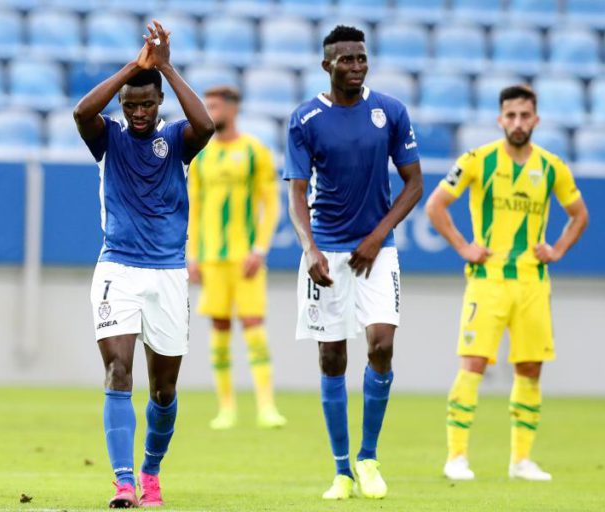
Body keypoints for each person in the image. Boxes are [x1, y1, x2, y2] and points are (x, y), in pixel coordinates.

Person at [73, 20, 214, 508]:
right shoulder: (107, 138)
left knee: (164, 390)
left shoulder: (177, 140)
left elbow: (207, 126)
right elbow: (81, 110)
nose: (136, 111)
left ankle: (151, 471)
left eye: (146, 103)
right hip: (118, 270)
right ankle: (124, 482)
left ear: (159, 105)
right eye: (130, 104)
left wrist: (166, 67)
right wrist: (135, 66)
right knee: (117, 370)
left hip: (169, 275)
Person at [284, 25, 423, 500]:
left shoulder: (391, 112)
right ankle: (341, 470)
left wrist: (377, 236)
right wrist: (310, 249)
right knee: (331, 357)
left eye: (361, 58)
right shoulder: (305, 119)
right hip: (326, 251)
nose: (356, 66)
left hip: (377, 252)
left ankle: (368, 457)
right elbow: (297, 194)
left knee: (381, 345)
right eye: (346, 59)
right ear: (327, 65)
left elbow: (414, 184)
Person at [425, 85, 589, 482]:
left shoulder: (552, 167)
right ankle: (457, 457)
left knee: (530, 368)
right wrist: (464, 246)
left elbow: (579, 214)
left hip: (533, 282)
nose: (518, 123)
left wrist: (558, 249)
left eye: (525, 116)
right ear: (500, 119)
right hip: (488, 280)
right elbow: (435, 205)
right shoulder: (477, 160)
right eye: (511, 116)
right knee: (473, 364)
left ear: (536, 120)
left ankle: (520, 461)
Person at [186, 85, 287, 430]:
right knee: (219, 327)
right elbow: (192, 207)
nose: (209, 110)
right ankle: (226, 407)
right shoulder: (201, 155)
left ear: (232, 109)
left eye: (214, 105)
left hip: (245, 258)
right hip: (212, 258)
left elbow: (271, 205)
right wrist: (191, 255)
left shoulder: (255, 152)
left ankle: (266, 406)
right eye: (207, 105)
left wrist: (260, 249)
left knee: (254, 327)